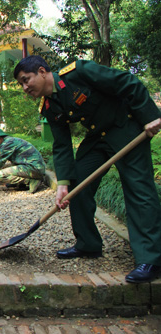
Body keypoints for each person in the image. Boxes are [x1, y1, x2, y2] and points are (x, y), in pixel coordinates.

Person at [13, 55, 161, 284]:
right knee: (77, 184)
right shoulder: (49, 107)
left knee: (138, 191)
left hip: (125, 128)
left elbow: (127, 81)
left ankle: (150, 260)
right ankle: (88, 244)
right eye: (21, 84)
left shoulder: (78, 72)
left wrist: (150, 116)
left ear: (42, 72)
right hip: (98, 137)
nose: (25, 87)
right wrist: (62, 184)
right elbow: (61, 145)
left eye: (26, 80)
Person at [0, 128, 46, 193]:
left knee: (1, 175)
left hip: (34, 168)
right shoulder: (10, 141)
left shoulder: (7, 144)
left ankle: (31, 181)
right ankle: (22, 184)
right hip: (34, 167)